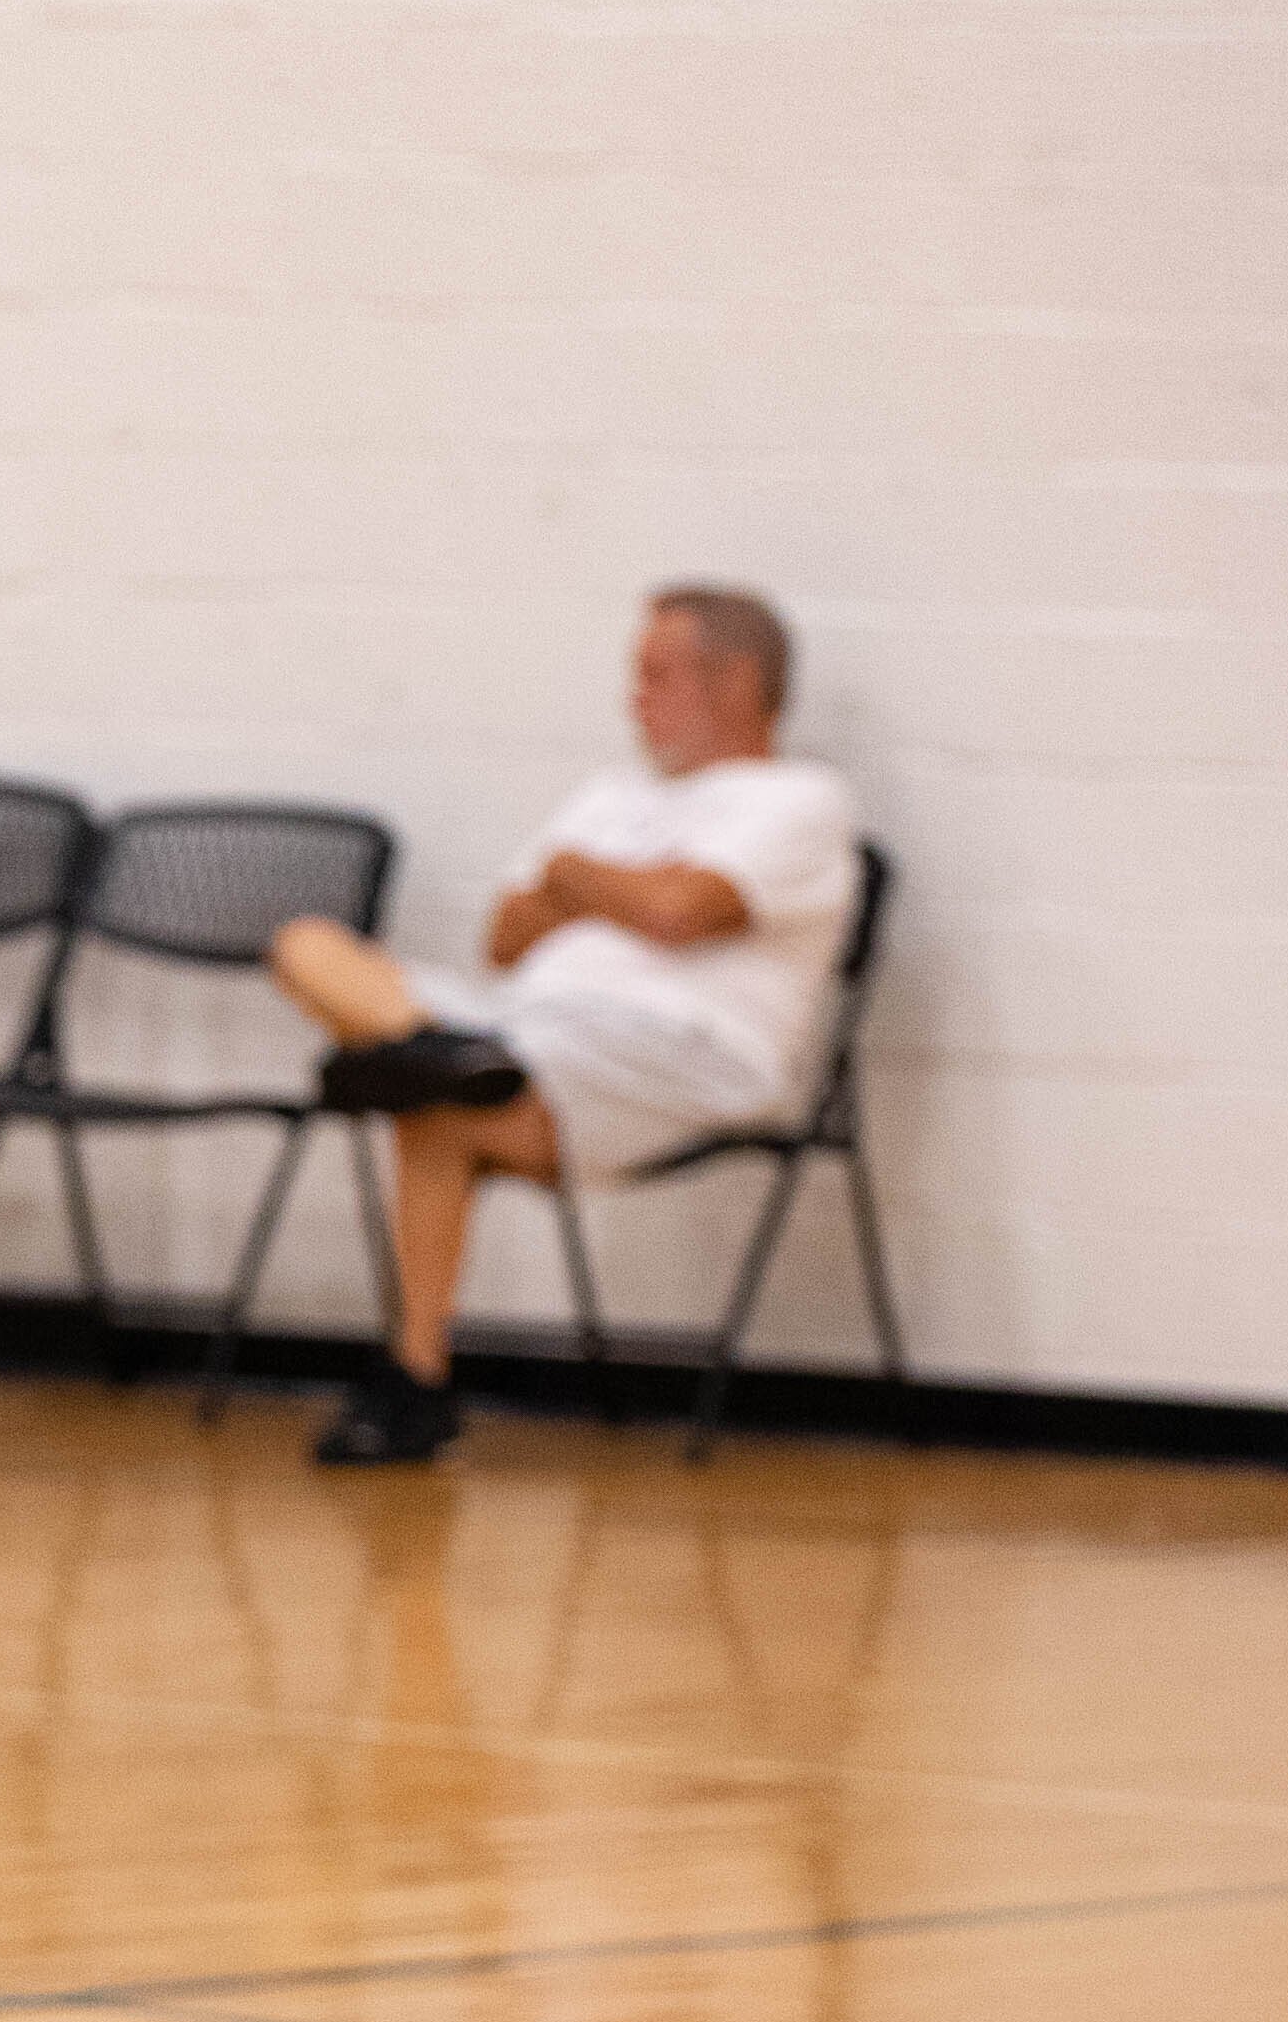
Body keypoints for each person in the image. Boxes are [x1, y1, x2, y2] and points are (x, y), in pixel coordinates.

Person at [267, 584, 861, 1469]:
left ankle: (414, 1364)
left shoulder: (798, 800)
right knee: (307, 945)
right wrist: (624, 887)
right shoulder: (610, 792)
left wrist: (577, 878)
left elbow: (681, 911)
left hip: (675, 1051)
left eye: (657, 676)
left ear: (736, 683)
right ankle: (433, 1056)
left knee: (431, 1102)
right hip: (525, 1022)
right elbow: (504, 937)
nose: (635, 698)